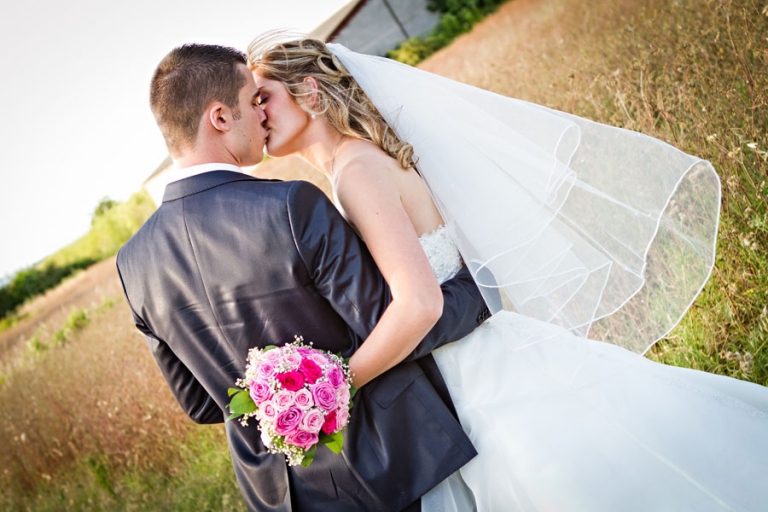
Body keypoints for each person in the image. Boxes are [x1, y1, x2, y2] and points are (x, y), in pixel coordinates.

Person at [247, 34, 768, 511]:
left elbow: (420, 304)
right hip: (478, 360)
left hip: (479, 379)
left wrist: (335, 387)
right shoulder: (355, 164)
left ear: (310, 91)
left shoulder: (357, 170)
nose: (257, 111)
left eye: (262, 95)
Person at [116, 43, 490, 512]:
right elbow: (389, 322)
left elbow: (203, 404)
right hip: (381, 469)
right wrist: (476, 289)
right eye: (253, 101)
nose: (261, 115)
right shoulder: (290, 207)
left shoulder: (132, 265)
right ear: (219, 118)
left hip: (276, 497)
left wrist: (276, 409)